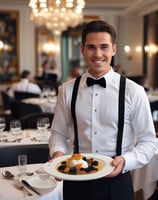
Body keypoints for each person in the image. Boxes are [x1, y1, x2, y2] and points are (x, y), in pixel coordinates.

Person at [49, 20, 157, 200]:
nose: (98, 54)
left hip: (117, 182)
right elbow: (58, 133)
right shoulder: (67, 89)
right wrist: (58, 155)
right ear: (82, 49)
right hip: (75, 179)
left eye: (104, 47)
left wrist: (125, 161)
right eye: (91, 47)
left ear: (113, 49)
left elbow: (148, 141)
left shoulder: (133, 91)